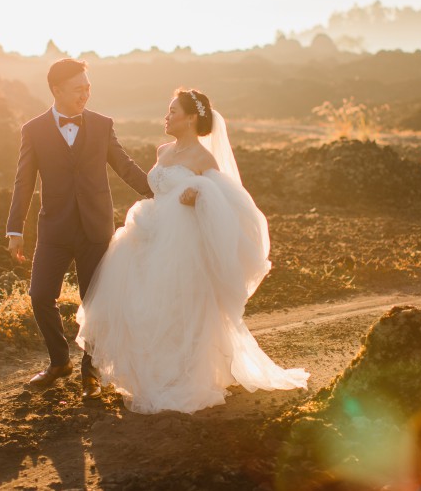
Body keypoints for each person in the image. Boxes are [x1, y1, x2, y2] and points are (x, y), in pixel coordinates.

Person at [76, 89, 309, 414]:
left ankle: (177, 376)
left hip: (183, 244)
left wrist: (200, 191)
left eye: (172, 111)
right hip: (150, 234)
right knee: (145, 305)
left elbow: (231, 202)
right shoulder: (163, 150)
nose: (166, 117)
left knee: (177, 308)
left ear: (190, 117)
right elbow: (157, 187)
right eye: (167, 111)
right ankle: (148, 374)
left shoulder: (204, 160)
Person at [6, 58, 153, 399]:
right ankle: (59, 362)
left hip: (95, 229)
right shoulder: (33, 130)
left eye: (88, 88)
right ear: (56, 90)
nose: (85, 94)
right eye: (78, 89)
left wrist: (159, 189)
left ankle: (91, 368)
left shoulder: (102, 125)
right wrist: (15, 228)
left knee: (95, 302)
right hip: (54, 230)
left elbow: (125, 166)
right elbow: (23, 182)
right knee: (40, 296)